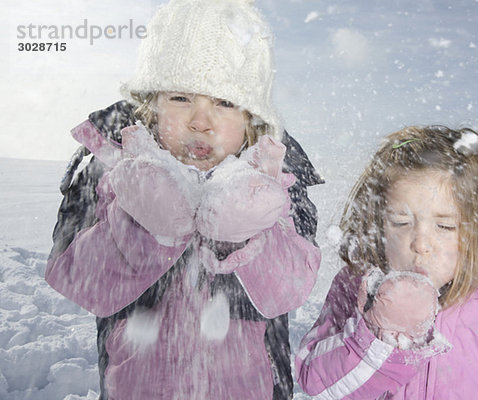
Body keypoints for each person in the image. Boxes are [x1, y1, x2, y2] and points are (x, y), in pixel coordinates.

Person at [45, 0, 323, 398]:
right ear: (151, 104)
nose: (200, 121)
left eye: (225, 103)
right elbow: (76, 279)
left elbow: (293, 285)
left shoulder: (275, 178)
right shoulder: (115, 167)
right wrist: (142, 227)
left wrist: (243, 235)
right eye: (181, 98)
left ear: (252, 120)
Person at [295, 125, 478, 399]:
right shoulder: (358, 286)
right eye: (401, 221)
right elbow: (316, 383)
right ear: (378, 222)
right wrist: (379, 335)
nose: (420, 244)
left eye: (445, 227)